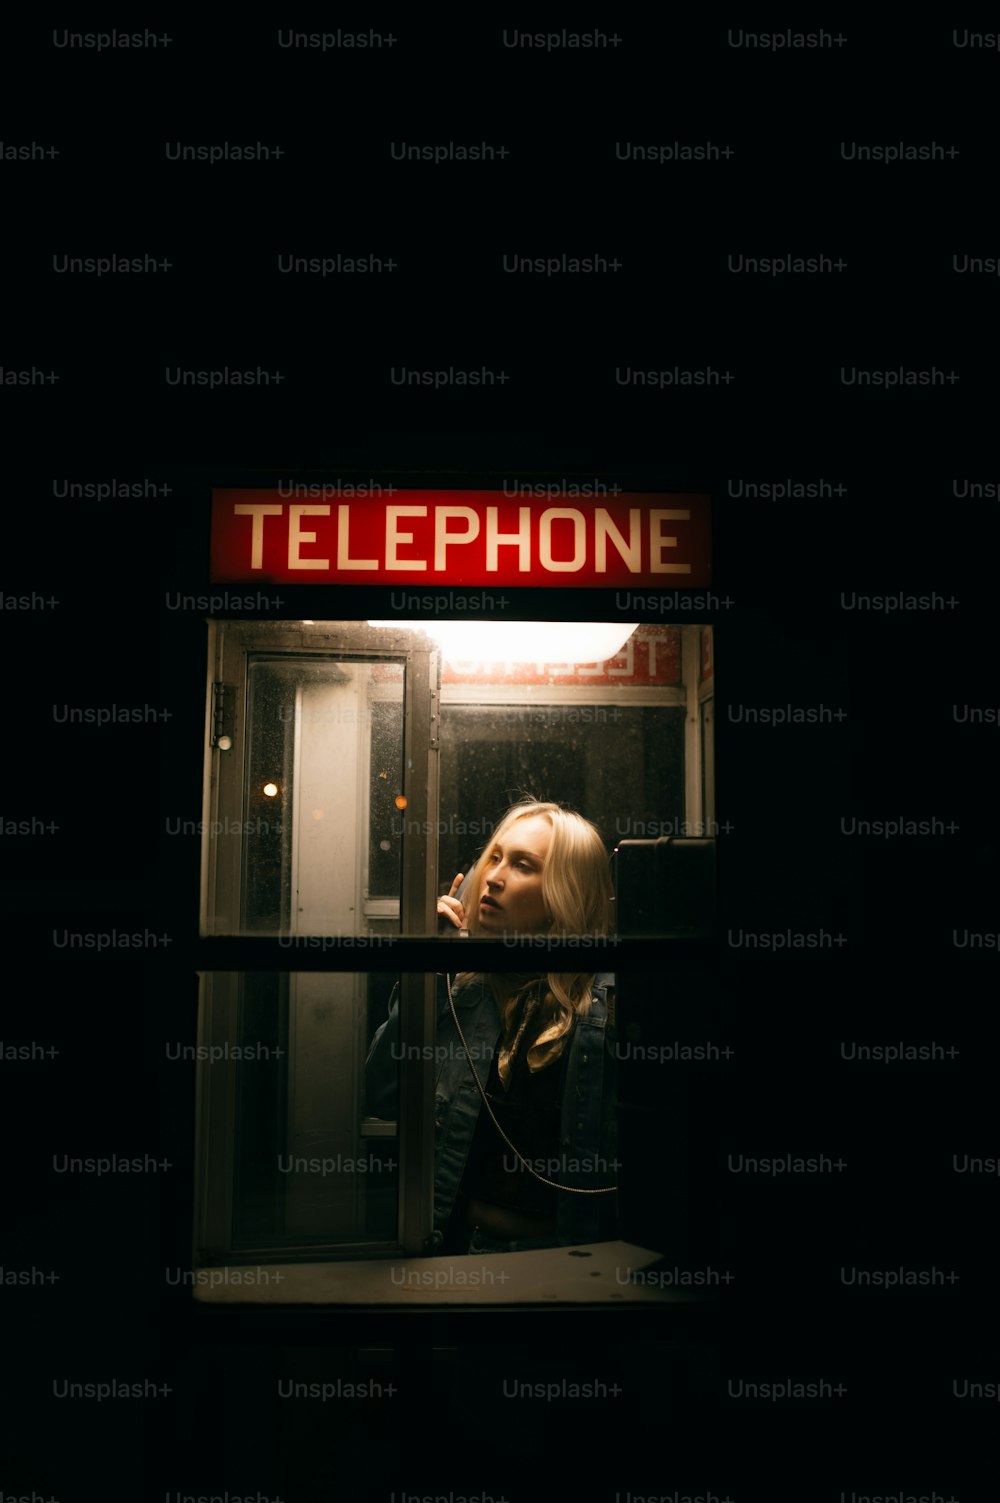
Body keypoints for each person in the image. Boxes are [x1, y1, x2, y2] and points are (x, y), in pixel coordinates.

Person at [364, 798, 619, 1252]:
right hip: (459, 1245)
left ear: (567, 891)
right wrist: (427, 970)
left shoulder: (605, 1005)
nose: (495, 877)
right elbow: (383, 1091)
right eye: (495, 858)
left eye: (523, 865)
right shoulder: (465, 987)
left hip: (575, 1255)